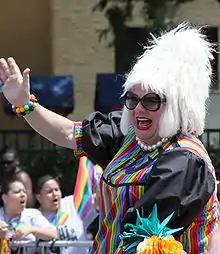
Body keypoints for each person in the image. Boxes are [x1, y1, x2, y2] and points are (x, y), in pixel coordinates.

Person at [0, 23, 219, 254]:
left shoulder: (185, 159)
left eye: (151, 100)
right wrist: (23, 103)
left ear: (176, 107)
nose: (139, 109)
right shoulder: (128, 138)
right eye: (132, 99)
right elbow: (67, 133)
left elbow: (142, 239)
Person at [35, 175, 97, 254]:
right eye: (49, 192)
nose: (55, 194)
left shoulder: (73, 203)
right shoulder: (34, 216)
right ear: (39, 197)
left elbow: (99, 200)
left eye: (56, 190)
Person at [0, 179, 58, 254]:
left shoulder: (32, 215)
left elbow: (54, 234)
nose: (23, 195)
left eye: (24, 192)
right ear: (5, 198)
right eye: (17, 192)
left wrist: (31, 229)